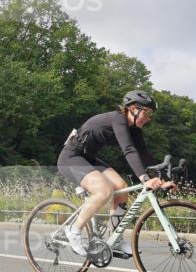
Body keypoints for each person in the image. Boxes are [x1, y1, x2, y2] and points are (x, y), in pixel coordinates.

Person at [56, 90, 176, 257]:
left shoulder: (134, 129)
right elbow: (128, 150)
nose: (149, 118)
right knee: (104, 190)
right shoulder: (118, 118)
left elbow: (145, 157)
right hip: (70, 157)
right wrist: (144, 179)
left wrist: (161, 180)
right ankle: (73, 230)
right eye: (147, 113)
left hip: (88, 158)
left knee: (121, 186)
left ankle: (115, 238)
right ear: (133, 108)